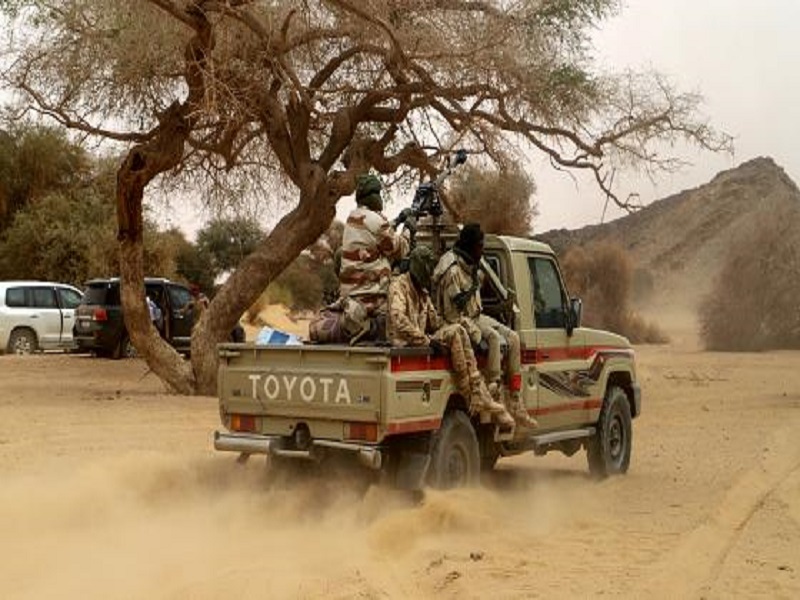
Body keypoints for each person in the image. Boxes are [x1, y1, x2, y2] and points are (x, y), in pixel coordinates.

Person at [388, 246, 513, 426]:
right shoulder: (399, 287)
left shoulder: (422, 292)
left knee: (458, 330)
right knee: (455, 333)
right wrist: (426, 340)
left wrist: (460, 323)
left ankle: (478, 392)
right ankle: (470, 394)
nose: (431, 273)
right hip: (404, 341)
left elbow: (435, 321)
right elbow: (398, 319)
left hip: (420, 338)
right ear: (420, 266)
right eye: (429, 268)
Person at [432, 223, 537, 428]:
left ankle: (515, 401)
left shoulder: (471, 264)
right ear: (471, 245)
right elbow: (452, 316)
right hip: (458, 320)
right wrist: (476, 335)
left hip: (476, 316)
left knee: (514, 339)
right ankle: (495, 396)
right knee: (494, 339)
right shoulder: (453, 271)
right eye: (480, 246)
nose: (482, 250)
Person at [339, 173, 412, 319]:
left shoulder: (353, 217)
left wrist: (398, 220)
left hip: (351, 295)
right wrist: (408, 229)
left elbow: (376, 233)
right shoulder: (376, 221)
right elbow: (400, 249)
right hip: (372, 297)